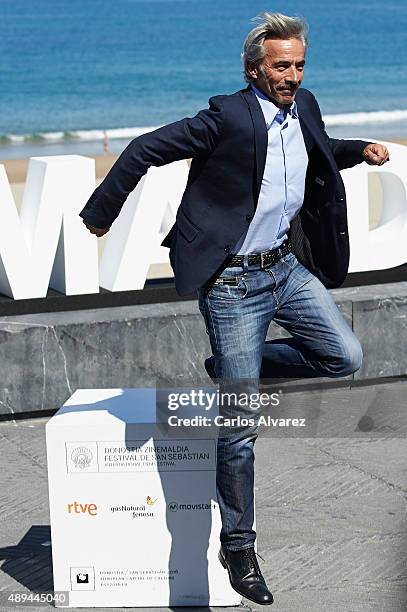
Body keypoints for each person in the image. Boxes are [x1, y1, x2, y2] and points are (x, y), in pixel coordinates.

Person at [79, 12, 389, 606]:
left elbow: (315, 150)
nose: (292, 76)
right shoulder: (227, 116)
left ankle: (230, 372)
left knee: (344, 355)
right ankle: (239, 545)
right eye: (281, 66)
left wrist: (360, 150)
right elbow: (146, 148)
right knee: (240, 429)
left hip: (286, 268)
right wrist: (101, 213)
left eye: (299, 65)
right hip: (233, 285)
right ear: (255, 69)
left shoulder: (307, 106)